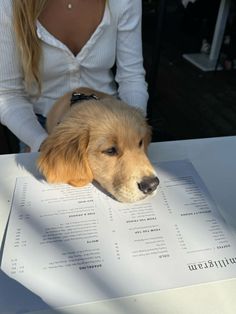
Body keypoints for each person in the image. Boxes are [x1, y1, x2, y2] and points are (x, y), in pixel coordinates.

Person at [0, 0, 148, 152]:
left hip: (113, 123)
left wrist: (135, 130)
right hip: (39, 127)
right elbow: (7, 94)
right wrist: (41, 143)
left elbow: (131, 77)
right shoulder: (10, 4)